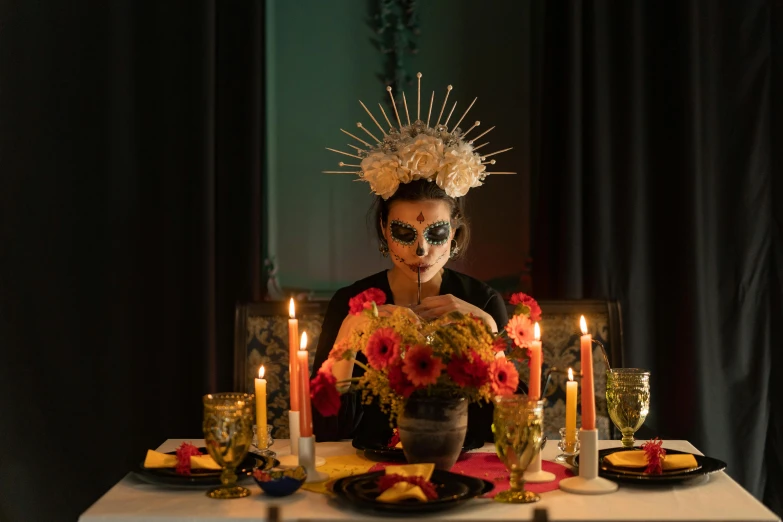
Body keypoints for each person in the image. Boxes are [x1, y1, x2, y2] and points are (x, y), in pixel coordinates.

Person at [312, 75, 521, 444]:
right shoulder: (352, 303)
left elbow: (512, 429)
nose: (421, 250)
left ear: (454, 235)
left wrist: (487, 328)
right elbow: (324, 432)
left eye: (435, 234)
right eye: (405, 234)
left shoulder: (482, 301)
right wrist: (348, 337)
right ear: (383, 228)